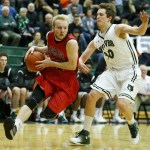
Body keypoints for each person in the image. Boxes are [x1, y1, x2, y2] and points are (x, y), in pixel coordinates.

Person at [69, 3, 149, 145]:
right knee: (91, 95)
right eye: (97, 14)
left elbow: (139, 31)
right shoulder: (98, 38)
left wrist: (144, 23)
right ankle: (85, 134)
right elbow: (86, 52)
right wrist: (80, 62)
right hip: (112, 72)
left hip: (130, 71)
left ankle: (132, 124)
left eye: (101, 14)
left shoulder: (118, 29)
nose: (97, 16)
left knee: (122, 104)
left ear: (109, 18)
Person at [3, 14, 79, 140]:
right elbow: (50, 49)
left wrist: (50, 63)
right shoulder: (49, 35)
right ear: (53, 28)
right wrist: (36, 47)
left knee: (48, 114)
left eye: (65, 28)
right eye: (59, 28)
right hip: (51, 76)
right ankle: (15, 126)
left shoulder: (71, 42)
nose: (62, 31)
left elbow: (72, 66)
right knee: (32, 101)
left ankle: (53, 114)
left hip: (66, 83)